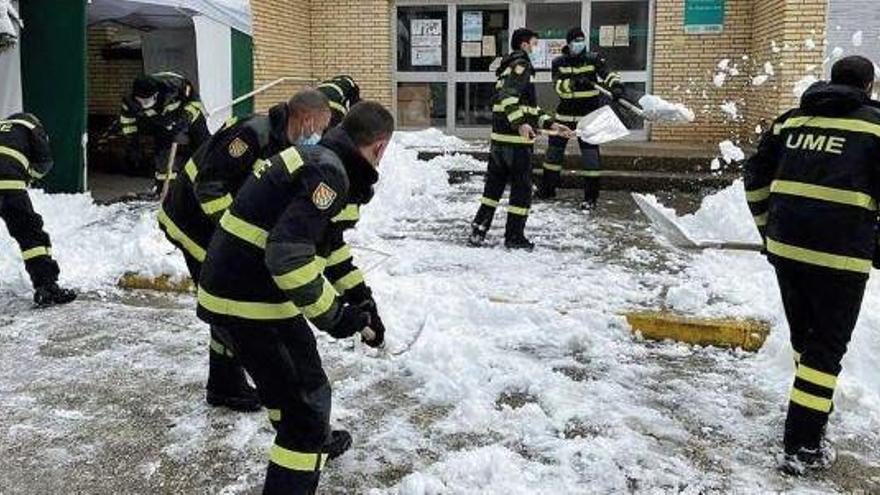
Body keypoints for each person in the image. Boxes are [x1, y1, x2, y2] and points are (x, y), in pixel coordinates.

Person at [195, 101, 393, 493]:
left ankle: (311, 431)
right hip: (249, 299)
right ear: (380, 147)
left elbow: (328, 244)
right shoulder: (330, 173)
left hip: (246, 291)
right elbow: (288, 257)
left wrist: (361, 297)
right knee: (304, 412)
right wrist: (337, 317)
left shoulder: (321, 159)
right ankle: (306, 436)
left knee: (303, 386)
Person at [744, 55, 880, 475]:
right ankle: (802, 446)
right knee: (825, 350)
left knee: (807, 340)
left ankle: (811, 409)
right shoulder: (875, 125)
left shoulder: (791, 121)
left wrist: (768, 230)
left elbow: (754, 176)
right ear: (869, 87)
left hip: (787, 250)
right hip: (840, 256)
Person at [158, 90, 333, 412]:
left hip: (214, 226)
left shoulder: (284, 143)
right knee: (228, 305)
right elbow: (209, 189)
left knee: (229, 307)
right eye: (322, 126)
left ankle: (224, 385)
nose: (321, 135)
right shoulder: (253, 135)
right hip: (193, 222)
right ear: (307, 119)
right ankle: (238, 384)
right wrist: (237, 239)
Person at [468, 28, 573, 250]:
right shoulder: (522, 66)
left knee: (493, 189)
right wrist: (521, 124)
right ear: (525, 44)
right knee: (522, 190)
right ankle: (514, 237)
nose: (536, 48)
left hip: (499, 141)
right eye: (535, 44)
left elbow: (528, 108)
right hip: (515, 145)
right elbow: (508, 99)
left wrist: (551, 124)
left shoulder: (506, 67)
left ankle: (478, 230)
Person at [536, 27, 625, 209]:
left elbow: (608, 73)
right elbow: (559, 86)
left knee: (590, 157)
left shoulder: (593, 59)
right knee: (553, 154)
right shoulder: (559, 62)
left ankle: (590, 198)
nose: (579, 43)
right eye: (575, 40)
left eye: (581, 40)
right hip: (564, 116)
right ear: (568, 43)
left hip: (589, 115)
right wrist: (576, 82)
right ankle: (547, 189)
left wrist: (616, 86)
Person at [0, 113, 76, 306]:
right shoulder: (33, 127)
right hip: (8, 183)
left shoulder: (4, 126)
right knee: (31, 236)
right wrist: (30, 177)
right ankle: (47, 287)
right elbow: (43, 163)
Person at [119, 72, 211, 193]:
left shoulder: (177, 86)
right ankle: (165, 188)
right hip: (161, 121)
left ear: (156, 93)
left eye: (148, 99)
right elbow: (127, 121)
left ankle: (208, 180)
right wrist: (132, 142)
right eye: (141, 100)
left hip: (190, 116)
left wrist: (185, 118)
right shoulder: (129, 100)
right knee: (163, 153)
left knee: (203, 147)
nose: (144, 103)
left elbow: (194, 102)